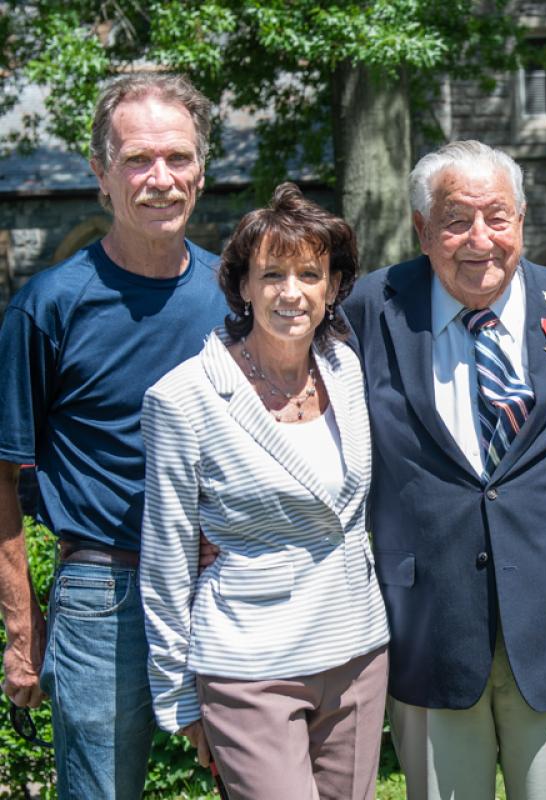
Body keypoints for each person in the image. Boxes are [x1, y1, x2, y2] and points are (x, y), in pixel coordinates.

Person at [341, 139, 546, 800]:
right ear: (421, 229)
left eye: (497, 217)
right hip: (429, 624)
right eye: (456, 220)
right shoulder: (368, 311)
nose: (480, 239)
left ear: (521, 220)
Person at [0, 73, 226, 799]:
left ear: (202, 167)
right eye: (137, 159)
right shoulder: (48, 307)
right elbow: (3, 473)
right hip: (106, 593)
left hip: (227, 585)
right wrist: (20, 627)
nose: (161, 179)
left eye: (178, 158)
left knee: (259, 784)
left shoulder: (239, 297)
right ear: (100, 174)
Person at [138, 182, 389, 799]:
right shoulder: (183, 398)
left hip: (356, 651)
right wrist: (178, 696)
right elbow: (166, 556)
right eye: (272, 274)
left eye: (310, 273)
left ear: (332, 288)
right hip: (250, 666)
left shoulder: (345, 367)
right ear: (243, 286)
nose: (291, 292)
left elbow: (349, 515)